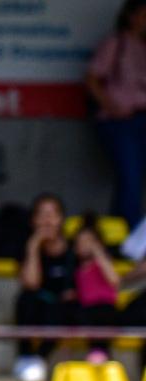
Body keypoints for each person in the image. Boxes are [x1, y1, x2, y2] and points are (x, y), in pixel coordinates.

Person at [88, 0, 146, 227]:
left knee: (133, 180)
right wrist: (112, 106)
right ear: (131, 16)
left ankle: (123, 234)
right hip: (120, 122)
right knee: (129, 177)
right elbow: (92, 78)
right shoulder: (116, 43)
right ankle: (127, 239)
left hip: (142, 119)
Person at [13, 193, 78, 381]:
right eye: (42, 214)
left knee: (62, 311)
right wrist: (33, 247)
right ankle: (25, 356)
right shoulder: (26, 247)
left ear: (61, 219)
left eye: (52, 214)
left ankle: (38, 358)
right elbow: (31, 283)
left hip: (65, 310)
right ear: (33, 220)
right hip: (39, 305)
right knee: (25, 299)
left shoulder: (74, 248)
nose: (47, 220)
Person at [69, 218, 124, 364]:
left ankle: (101, 351)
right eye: (81, 242)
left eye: (89, 241)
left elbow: (115, 281)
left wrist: (99, 253)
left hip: (105, 307)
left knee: (103, 316)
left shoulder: (102, 263)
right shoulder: (76, 269)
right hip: (86, 309)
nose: (85, 245)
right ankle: (96, 352)